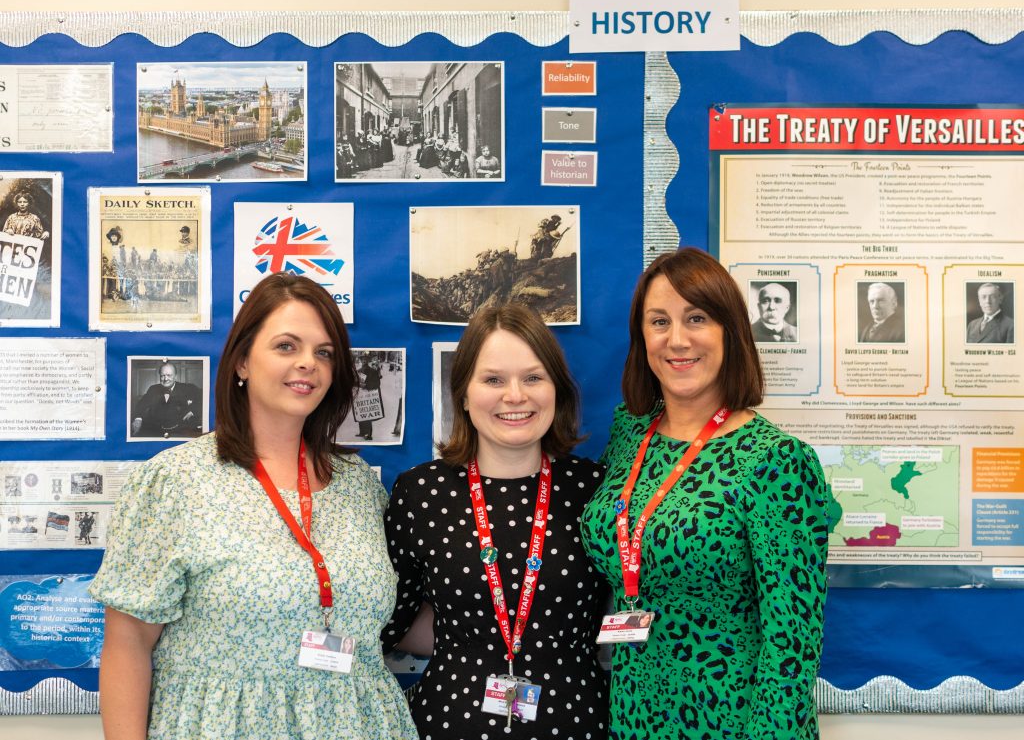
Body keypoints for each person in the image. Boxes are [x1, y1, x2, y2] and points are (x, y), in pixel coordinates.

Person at [90, 273, 415, 740]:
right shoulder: (177, 480)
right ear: (242, 361)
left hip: (360, 723)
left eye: (323, 352)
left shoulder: (359, 487)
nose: (308, 363)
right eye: (287, 346)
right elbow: (127, 643)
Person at [580, 248, 830, 740]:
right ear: (641, 337)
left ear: (729, 332)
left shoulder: (776, 460)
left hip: (732, 717)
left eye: (696, 318)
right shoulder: (629, 434)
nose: (677, 340)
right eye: (659, 321)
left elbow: (793, 641)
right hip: (632, 711)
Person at [382, 304, 608, 740]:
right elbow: (392, 619)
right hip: (449, 722)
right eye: (493, 379)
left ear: (556, 389)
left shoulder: (596, 489)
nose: (515, 395)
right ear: (463, 394)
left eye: (533, 377)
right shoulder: (420, 493)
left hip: (577, 721)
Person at [130, 362, 203, 439]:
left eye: (169, 375)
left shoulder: (188, 388)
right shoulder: (153, 389)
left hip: (181, 432)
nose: (165, 379)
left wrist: (193, 411)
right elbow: (141, 404)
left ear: (175, 376)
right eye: (162, 376)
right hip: (157, 432)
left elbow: (204, 399)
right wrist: (138, 418)